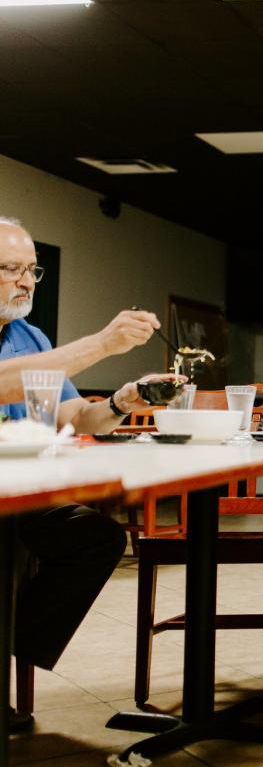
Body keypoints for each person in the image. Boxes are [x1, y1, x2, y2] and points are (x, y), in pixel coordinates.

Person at [0, 216, 173, 734]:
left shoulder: (28, 336)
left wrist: (124, 399)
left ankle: (11, 649)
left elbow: (74, 417)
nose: (26, 281)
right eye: (11, 268)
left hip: (20, 493)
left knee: (95, 537)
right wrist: (100, 344)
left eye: (33, 270)